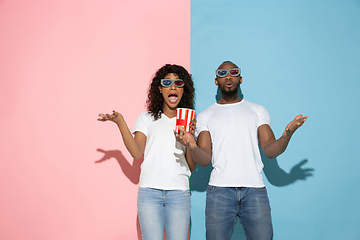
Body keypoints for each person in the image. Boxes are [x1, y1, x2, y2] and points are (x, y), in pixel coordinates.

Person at [175, 61, 307, 240]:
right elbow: (205, 159)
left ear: (240, 78)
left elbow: (269, 150)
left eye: (233, 72)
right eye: (222, 73)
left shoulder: (257, 111)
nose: (228, 76)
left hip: (254, 191)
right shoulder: (205, 116)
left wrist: (287, 135)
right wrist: (192, 146)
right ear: (216, 81)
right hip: (219, 192)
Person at [98, 64, 196, 240]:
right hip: (149, 193)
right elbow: (137, 153)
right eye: (167, 83)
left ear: (184, 89)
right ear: (159, 88)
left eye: (178, 83)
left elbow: (191, 165)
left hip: (179, 192)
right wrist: (120, 122)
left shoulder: (188, 121)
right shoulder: (146, 118)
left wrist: (190, 140)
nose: (173, 87)